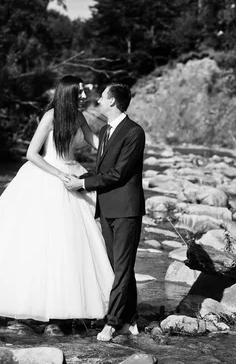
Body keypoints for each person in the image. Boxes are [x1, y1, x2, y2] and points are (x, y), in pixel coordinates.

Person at [0, 75, 114, 322]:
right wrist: (58, 174)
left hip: (73, 171)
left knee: (74, 240)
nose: (85, 96)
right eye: (80, 92)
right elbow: (31, 154)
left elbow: (94, 141)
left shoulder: (79, 116)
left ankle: (75, 303)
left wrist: (116, 151)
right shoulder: (50, 116)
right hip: (48, 174)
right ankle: (31, 302)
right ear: (68, 94)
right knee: (40, 239)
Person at [64, 83, 145, 342]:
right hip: (108, 208)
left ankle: (111, 323)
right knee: (118, 267)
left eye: (103, 96)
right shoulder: (105, 130)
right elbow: (102, 172)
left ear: (112, 101)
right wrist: (80, 177)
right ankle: (129, 320)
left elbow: (119, 173)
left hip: (126, 210)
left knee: (121, 269)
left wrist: (84, 184)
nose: (98, 99)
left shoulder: (134, 132)